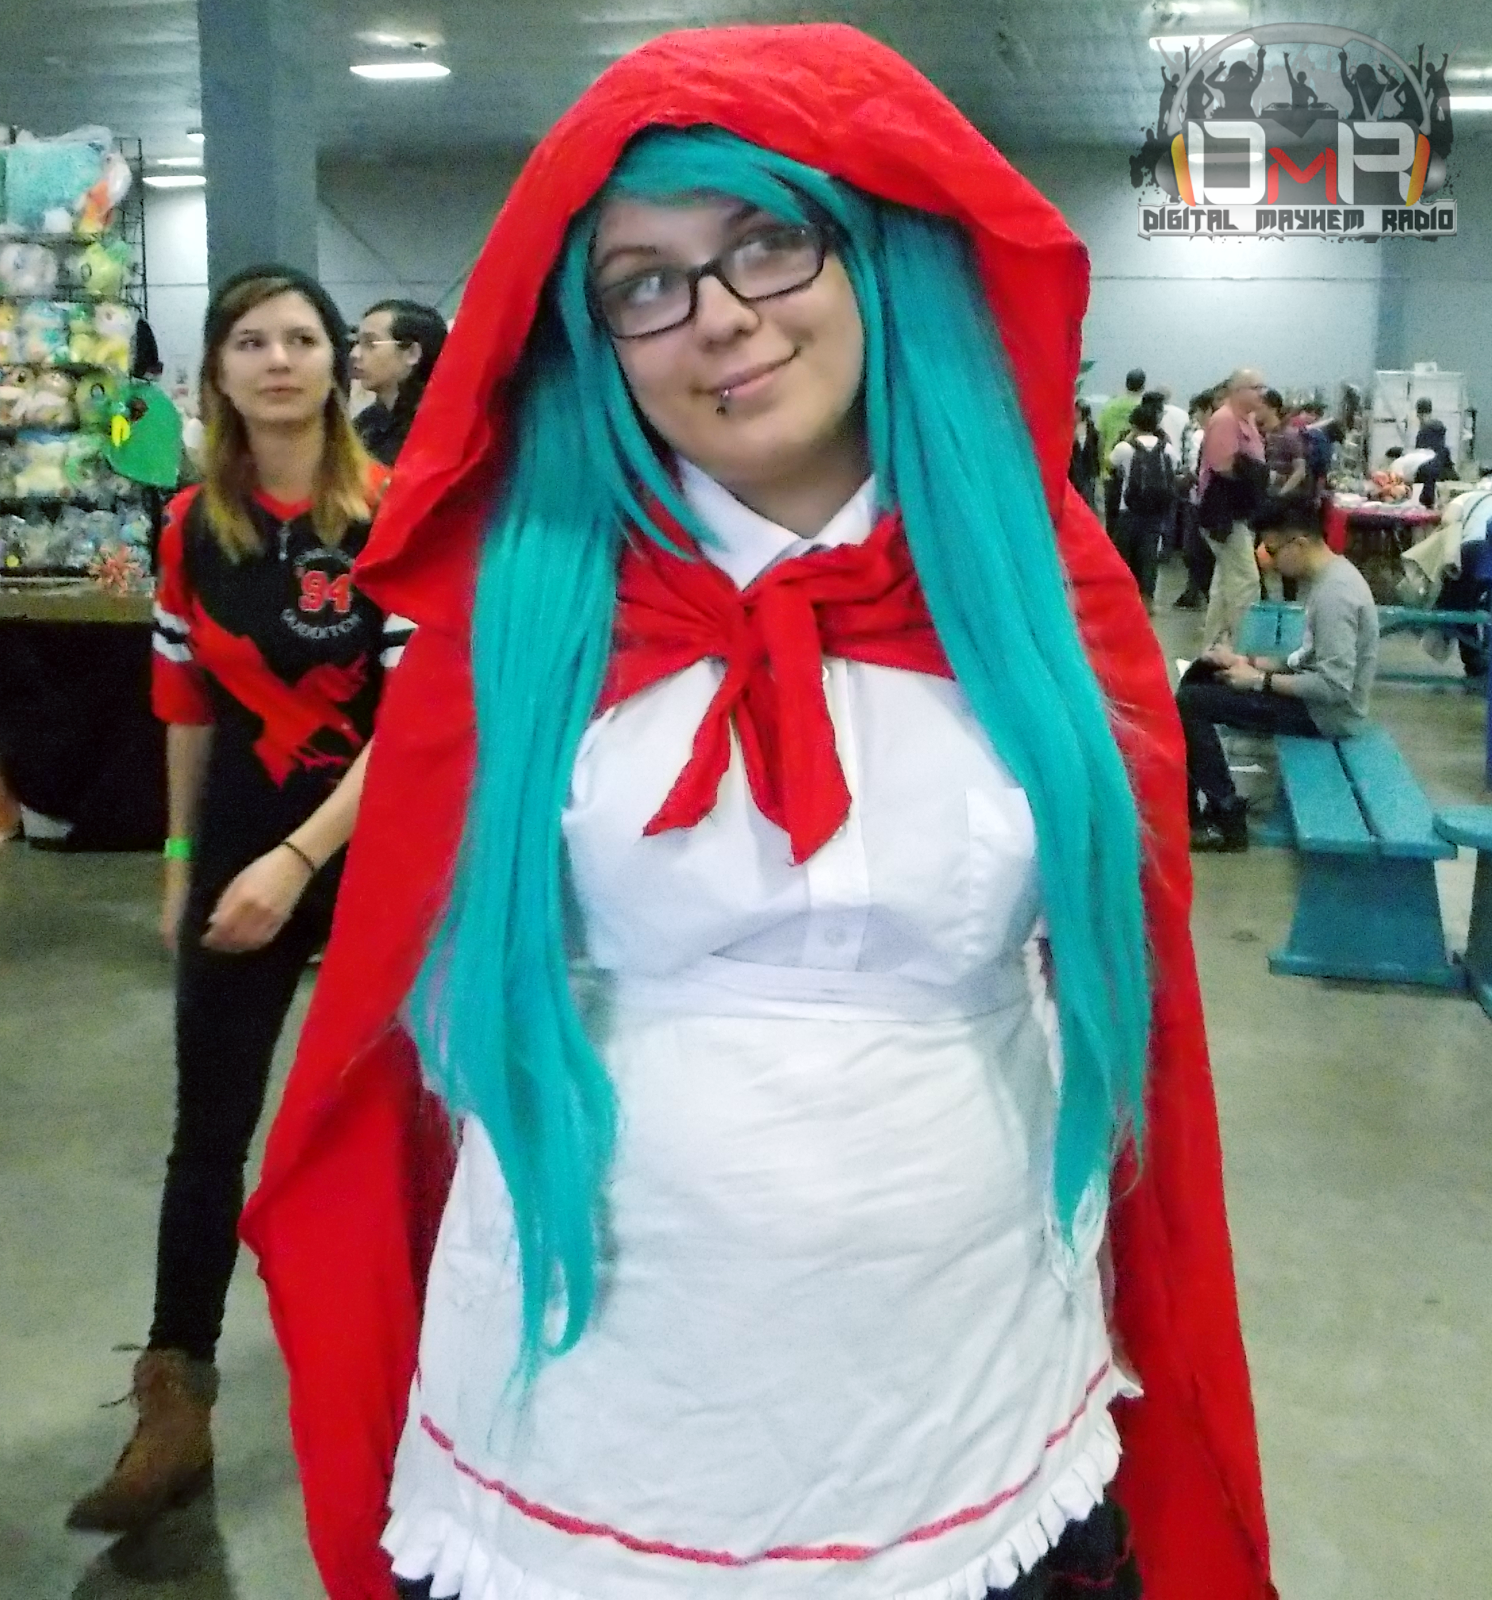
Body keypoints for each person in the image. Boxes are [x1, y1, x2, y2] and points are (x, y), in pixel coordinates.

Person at [240, 27, 1276, 1600]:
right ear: (596, 341)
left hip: (969, 1385)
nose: (719, 314)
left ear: (871, 263)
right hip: (593, 1409)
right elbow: (410, 1011)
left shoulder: (1040, 589)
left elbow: (1141, 1012)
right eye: (643, 283)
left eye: (766, 244)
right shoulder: (525, 612)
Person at [66, 266, 409, 1533]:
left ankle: (425, 1395)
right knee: (206, 1134)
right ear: (214, 369)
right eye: (251, 340)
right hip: (236, 851)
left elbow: (418, 718)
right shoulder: (189, 527)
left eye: (303, 338)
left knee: (402, 1126)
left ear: (337, 361)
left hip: (374, 851)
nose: (278, 360)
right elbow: (185, 705)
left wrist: (300, 859)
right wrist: (179, 865)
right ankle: (176, 1406)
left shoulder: (392, 513)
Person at [1176, 504, 1379, 851]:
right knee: (1202, 676)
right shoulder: (1329, 579)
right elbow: (1305, 658)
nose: (1267, 560)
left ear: (1298, 544)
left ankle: (1225, 815)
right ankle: (1194, 812)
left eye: (1271, 550)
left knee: (1191, 702)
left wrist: (1258, 681)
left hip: (1328, 716)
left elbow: (1334, 686)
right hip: (1316, 704)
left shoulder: (1336, 595)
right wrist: (1245, 661)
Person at [1197, 367, 1268, 650]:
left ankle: (1213, 648)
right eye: (1256, 388)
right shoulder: (1225, 420)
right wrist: (1256, 477)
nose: (1262, 393)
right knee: (1246, 582)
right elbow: (1223, 466)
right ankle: (1240, 647)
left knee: (1224, 584)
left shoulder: (1246, 420)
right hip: (1224, 513)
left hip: (1239, 513)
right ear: (1238, 391)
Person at [351, 299, 449, 465]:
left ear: (412, 353)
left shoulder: (440, 430)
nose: (355, 354)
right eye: (357, 342)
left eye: (370, 343)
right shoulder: (365, 424)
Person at [1108, 395, 1178, 605]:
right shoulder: (1167, 448)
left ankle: (1123, 597)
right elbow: (1175, 468)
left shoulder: (1125, 447)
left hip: (1128, 508)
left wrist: (1129, 437)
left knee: (1124, 553)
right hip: (1156, 510)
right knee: (1149, 555)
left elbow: (1110, 464)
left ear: (1134, 424)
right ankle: (1147, 599)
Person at [1174, 388, 1217, 610]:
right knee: (1195, 553)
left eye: (1198, 411)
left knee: (1196, 553)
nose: (1195, 416)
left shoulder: (1205, 436)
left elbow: (1201, 472)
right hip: (1196, 500)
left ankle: (1209, 598)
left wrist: (1187, 479)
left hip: (1203, 503)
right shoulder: (1205, 435)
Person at [1096, 368, 1147, 530]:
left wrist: (1102, 466)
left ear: (1126, 384)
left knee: (1111, 519)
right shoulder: (1144, 408)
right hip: (1136, 471)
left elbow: (1101, 438)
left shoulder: (1110, 406)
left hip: (1110, 467)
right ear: (1143, 385)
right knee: (1132, 521)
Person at [1069, 397, 1101, 509]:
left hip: (1088, 469)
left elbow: (1096, 450)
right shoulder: (1069, 428)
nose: (1075, 414)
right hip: (1072, 470)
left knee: (1088, 500)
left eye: (1078, 411)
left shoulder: (1092, 430)